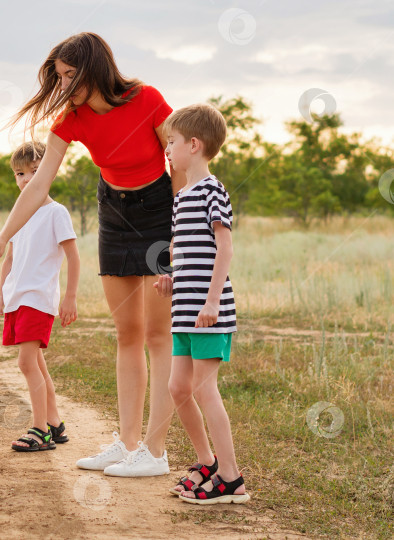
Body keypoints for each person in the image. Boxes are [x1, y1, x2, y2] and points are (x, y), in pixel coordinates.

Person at [0, 32, 182, 476]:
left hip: (160, 211)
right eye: (60, 77)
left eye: (71, 74)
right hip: (114, 212)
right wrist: (1, 237)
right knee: (127, 334)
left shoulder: (147, 99)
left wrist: (181, 235)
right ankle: (127, 444)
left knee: (157, 335)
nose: (64, 84)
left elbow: (178, 168)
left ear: (95, 67)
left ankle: (155, 451)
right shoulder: (73, 119)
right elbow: (40, 184)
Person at [155, 102, 249, 504]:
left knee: (205, 390)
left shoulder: (213, 190)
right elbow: (192, 250)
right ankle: (207, 463)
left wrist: (212, 300)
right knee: (178, 388)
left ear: (193, 145)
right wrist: (173, 275)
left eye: (171, 142)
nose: (167, 150)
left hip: (209, 312)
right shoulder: (182, 196)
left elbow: (224, 249)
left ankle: (231, 479)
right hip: (184, 312)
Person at [0, 141, 79, 452]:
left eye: (35, 172)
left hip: (39, 298)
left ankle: (39, 429)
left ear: (50, 173)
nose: (26, 179)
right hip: (17, 297)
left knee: (26, 362)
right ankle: (54, 422)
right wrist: (0, 294)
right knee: (36, 362)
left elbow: (74, 257)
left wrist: (70, 297)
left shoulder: (56, 212)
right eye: (20, 173)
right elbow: (11, 258)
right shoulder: (20, 213)